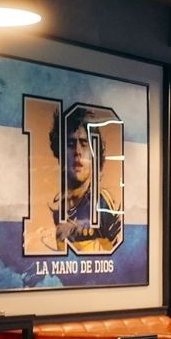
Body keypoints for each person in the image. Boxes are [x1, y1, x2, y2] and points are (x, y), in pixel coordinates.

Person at [40, 105, 121, 253]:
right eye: (71, 144)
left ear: (94, 153)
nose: (77, 152)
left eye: (84, 144)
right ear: (60, 152)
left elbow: (119, 262)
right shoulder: (51, 206)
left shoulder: (104, 205)